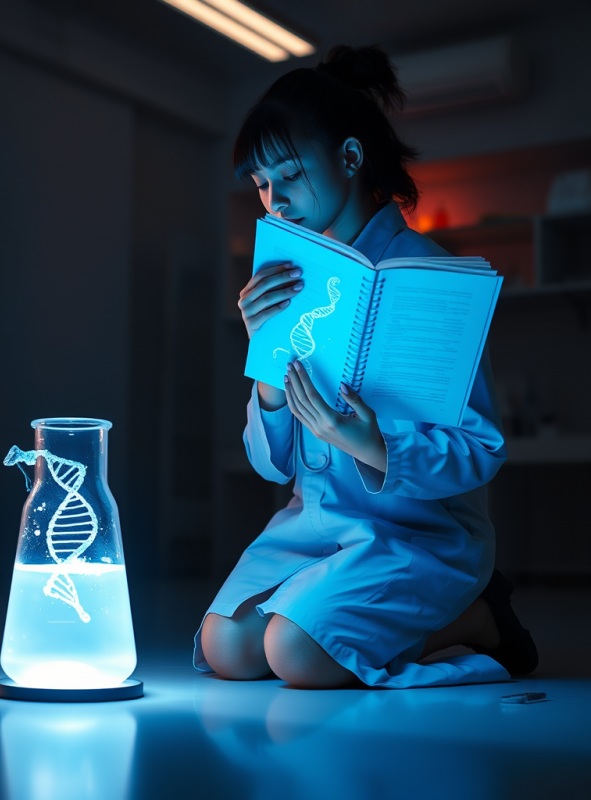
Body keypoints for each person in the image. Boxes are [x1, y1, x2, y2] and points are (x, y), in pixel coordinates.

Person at [194, 45, 538, 689]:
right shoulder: (289, 278)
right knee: (227, 648)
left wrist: (370, 443)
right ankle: (337, 612)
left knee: (296, 655)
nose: (275, 200)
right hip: (315, 524)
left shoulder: (431, 277)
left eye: (289, 175)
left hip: (418, 533)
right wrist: (266, 362)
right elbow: (272, 466)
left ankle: (480, 617)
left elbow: (481, 450)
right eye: (261, 184)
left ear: (350, 158)